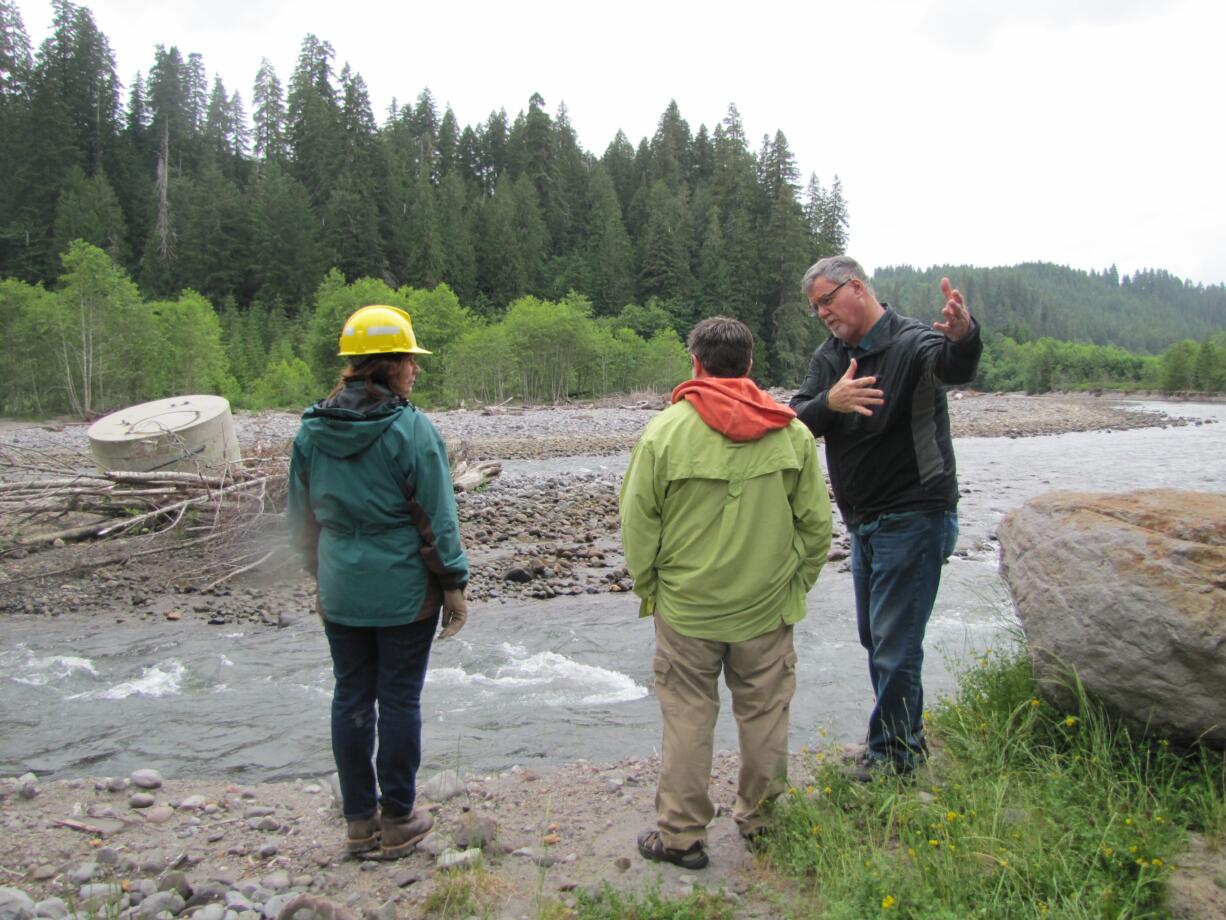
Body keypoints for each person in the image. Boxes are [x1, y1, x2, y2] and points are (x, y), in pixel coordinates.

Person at [620, 316, 832, 869]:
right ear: (749, 366)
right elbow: (817, 527)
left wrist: (652, 587)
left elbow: (638, 523)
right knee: (764, 714)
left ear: (695, 364)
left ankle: (682, 838)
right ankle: (760, 822)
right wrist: (794, 585)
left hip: (686, 607)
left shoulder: (664, 432)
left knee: (688, 714)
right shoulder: (792, 432)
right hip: (765, 608)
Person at [287, 304, 470, 857]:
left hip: (340, 586)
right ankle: (398, 819)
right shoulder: (412, 430)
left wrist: (324, 573)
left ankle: (358, 824)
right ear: (388, 364)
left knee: (349, 698)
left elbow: (299, 518)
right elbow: (439, 518)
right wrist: (455, 585)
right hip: (404, 591)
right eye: (410, 360)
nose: (415, 369)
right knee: (398, 701)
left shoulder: (311, 431)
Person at [789, 256, 981, 780]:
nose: (823, 313)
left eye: (828, 300)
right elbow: (798, 418)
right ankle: (901, 744)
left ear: (857, 288)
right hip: (864, 522)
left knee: (896, 645)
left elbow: (955, 365)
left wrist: (964, 335)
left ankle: (895, 758)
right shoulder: (831, 358)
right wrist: (833, 400)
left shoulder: (914, 343)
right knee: (877, 640)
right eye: (816, 308)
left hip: (916, 515)